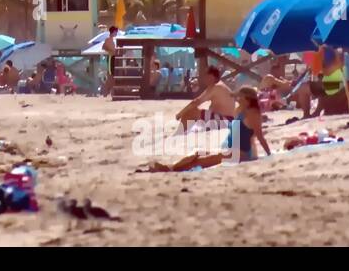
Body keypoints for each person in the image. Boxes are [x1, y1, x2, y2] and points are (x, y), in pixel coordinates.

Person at [140, 86, 272, 172]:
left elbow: (259, 137)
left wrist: (270, 156)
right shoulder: (240, 110)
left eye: (239, 97)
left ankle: (169, 169)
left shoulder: (253, 114)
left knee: (200, 162)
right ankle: (170, 167)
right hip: (231, 150)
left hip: (240, 154)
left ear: (247, 99)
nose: (236, 98)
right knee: (197, 154)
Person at [175, 65, 238, 132]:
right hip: (226, 120)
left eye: (205, 76)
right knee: (195, 115)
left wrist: (179, 114)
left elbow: (196, 102)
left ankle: (179, 133)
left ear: (211, 76)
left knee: (191, 111)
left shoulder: (216, 87)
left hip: (224, 121)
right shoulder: (219, 85)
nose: (204, 79)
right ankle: (184, 132)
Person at [101, 25, 120, 96]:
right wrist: (110, 50)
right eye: (116, 32)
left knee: (114, 75)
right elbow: (103, 47)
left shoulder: (115, 39)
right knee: (110, 75)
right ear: (113, 32)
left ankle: (111, 91)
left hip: (115, 57)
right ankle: (106, 91)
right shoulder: (108, 39)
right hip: (111, 57)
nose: (116, 33)